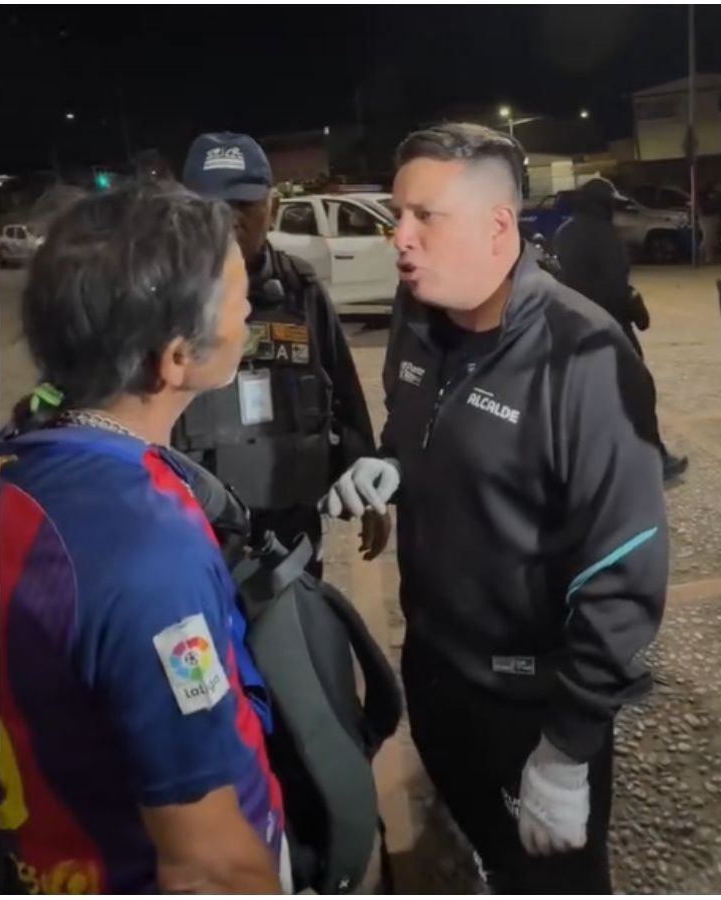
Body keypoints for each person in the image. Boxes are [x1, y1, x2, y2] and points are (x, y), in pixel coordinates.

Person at [320, 123, 669, 893]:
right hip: (434, 668)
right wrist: (388, 466)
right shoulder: (419, 314)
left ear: (498, 225)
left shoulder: (585, 354)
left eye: (425, 216)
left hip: (527, 701)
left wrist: (567, 750)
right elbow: (412, 425)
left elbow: (625, 569)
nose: (399, 238)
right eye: (397, 214)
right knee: (492, 850)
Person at [0, 183, 286, 893]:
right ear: (176, 358)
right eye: (238, 298)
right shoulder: (145, 549)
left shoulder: (26, 458)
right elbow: (207, 862)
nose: (250, 310)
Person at [171, 132, 377, 575]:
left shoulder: (300, 288)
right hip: (194, 538)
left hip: (291, 534)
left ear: (272, 204)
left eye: (244, 205)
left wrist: (366, 485)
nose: (229, 220)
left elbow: (345, 394)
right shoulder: (157, 296)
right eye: (212, 207)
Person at [553, 176, 689, 483]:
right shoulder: (604, 236)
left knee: (589, 398)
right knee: (637, 390)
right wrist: (636, 309)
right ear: (603, 205)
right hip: (609, 326)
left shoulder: (564, 233)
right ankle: (653, 459)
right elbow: (615, 288)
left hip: (572, 326)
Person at [699, 183, 721, 264]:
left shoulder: (703, 198)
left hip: (707, 218)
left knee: (710, 238)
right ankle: (706, 257)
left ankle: (706, 257)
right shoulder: (707, 198)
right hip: (708, 218)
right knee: (708, 238)